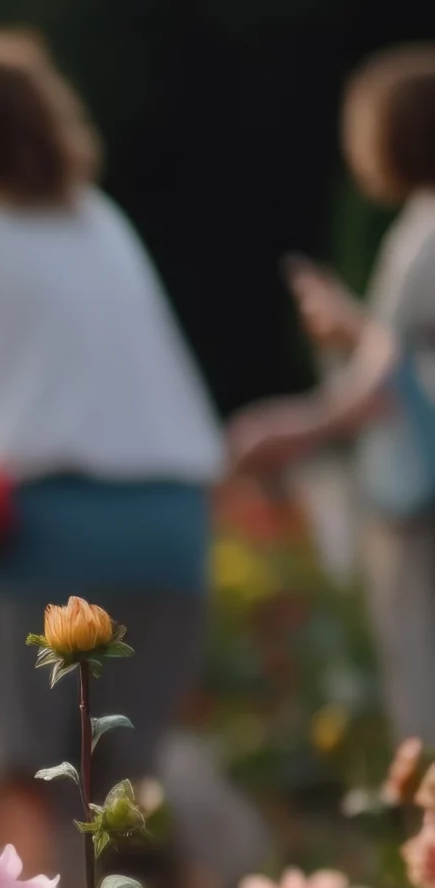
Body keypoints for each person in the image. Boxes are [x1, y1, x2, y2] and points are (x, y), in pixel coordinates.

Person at [0, 29, 227, 883]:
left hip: (43, 534)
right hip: (169, 528)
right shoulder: (102, 225)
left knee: (18, 769)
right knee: (118, 778)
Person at [229, 45, 435, 743]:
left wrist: (295, 428)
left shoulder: (422, 234)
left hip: (420, 500)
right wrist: (358, 329)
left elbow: (384, 382)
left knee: (420, 676)